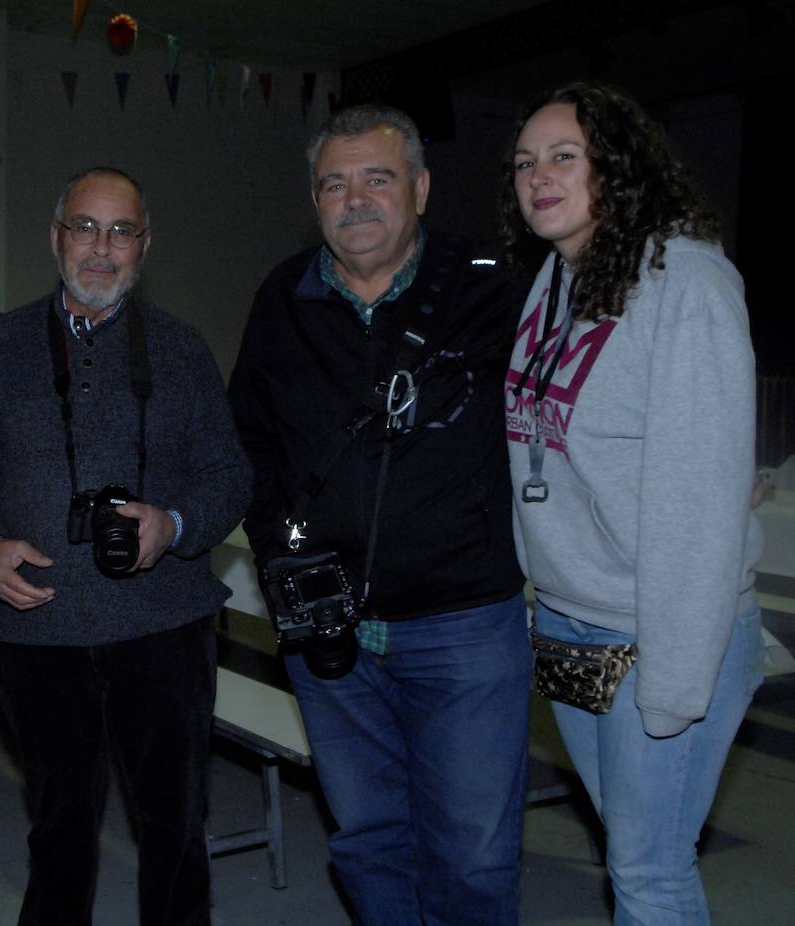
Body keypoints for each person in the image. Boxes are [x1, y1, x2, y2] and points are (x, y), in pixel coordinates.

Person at [228, 104, 532, 925]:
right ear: (315, 199)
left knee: (470, 854)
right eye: (335, 182)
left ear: (421, 189)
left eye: (378, 178)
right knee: (366, 841)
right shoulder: (283, 297)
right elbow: (248, 443)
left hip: (465, 625)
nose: (355, 199)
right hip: (330, 636)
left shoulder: (489, 293)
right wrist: (279, 553)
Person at [503, 81, 764, 924]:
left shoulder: (685, 285)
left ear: (618, 167)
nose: (538, 177)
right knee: (633, 846)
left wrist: (675, 686)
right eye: (524, 163)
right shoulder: (558, 279)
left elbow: (701, 503)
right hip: (576, 623)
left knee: (649, 870)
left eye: (564, 157)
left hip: (663, 633)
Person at [0, 167, 249, 926]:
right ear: (56, 237)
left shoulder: (183, 349)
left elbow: (230, 473)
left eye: (121, 231)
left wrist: (175, 524)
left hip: (166, 626)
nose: (102, 248)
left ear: (144, 246)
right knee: (57, 827)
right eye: (86, 228)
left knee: (174, 826)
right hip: (36, 627)